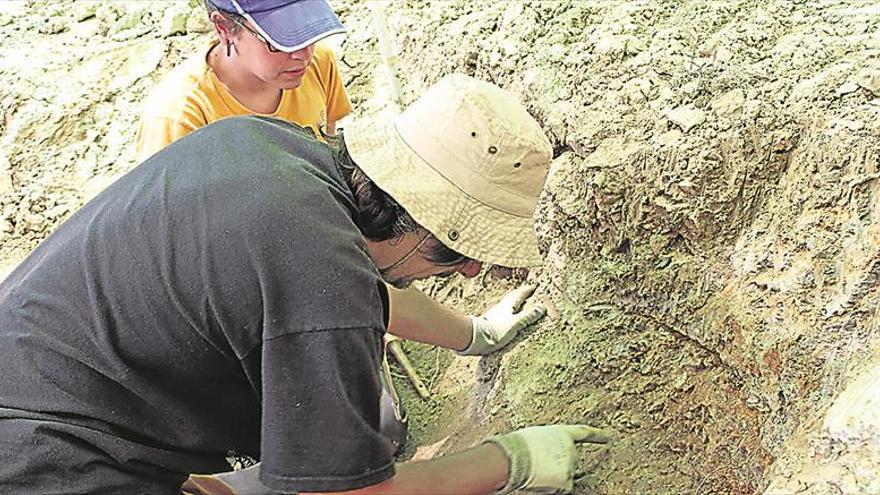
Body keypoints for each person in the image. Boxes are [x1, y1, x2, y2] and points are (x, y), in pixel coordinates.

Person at [0, 74, 611, 494]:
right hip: (48, 469)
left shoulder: (270, 147)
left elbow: (350, 293)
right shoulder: (319, 272)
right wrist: (510, 460)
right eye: (456, 251)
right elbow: (350, 490)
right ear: (414, 216)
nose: (472, 270)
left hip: (49, 399)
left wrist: (475, 335)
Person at [135, 0, 351, 162]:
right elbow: (169, 217)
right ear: (223, 27)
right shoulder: (180, 117)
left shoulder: (318, 62)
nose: (303, 54)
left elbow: (329, 151)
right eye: (279, 41)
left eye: (309, 30)